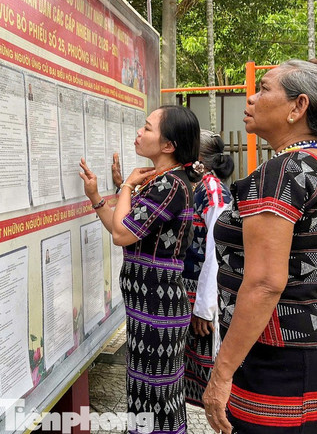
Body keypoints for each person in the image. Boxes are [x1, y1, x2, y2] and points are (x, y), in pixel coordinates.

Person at [203, 58, 317, 434]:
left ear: (298, 106)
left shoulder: (281, 173)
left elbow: (264, 283)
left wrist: (221, 374)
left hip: (282, 362)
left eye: (265, 88)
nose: (252, 99)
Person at [79, 105, 201, 434]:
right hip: (147, 306)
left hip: (159, 309)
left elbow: (121, 234)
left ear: (168, 145)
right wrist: (95, 197)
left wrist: (127, 187)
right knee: (144, 395)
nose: (139, 133)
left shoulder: (170, 186)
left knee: (158, 399)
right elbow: (125, 230)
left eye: (147, 128)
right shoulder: (158, 181)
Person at [183, 130, 234, 407]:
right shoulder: (196, 186)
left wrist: (204, 308)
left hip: (200, 297)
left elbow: (217, 253)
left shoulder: (213, 193)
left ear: (199, 158)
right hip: (188, 292)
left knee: (211, 390)